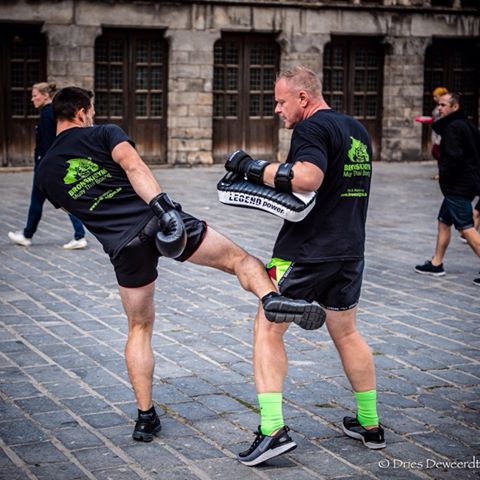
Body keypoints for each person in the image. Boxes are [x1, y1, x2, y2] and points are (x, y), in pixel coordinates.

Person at [34, 86, 325, 442]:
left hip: (124, 249)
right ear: (81, 111)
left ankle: (145, 417)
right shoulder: (104, 133)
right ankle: (269, 298)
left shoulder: (45, 171)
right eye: (90, 111)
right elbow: (134, 165)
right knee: (240, 260)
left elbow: (72, 208)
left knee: (139, 328)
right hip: (160, 222)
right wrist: (164, 209)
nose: (91, 116)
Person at [224, 66, 385, 466]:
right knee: (346, 332)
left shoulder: (310, 129)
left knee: (267, 325)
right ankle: (370, 423)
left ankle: (272, 430)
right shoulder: (356, 129)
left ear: (303, 98)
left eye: (280, 101)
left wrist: (250, 167)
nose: (277, 109)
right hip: (350, 249)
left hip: (306, 251)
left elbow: (308, 178)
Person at [8, 82, 88, 250]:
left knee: (58, 199)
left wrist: (44, 167)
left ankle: (78, 235)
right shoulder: (52, 112)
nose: (32, 99)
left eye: (35, 95)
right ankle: (28, 234)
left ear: (45, 95)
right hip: (52, 164)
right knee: (47, 199)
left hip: (47, 165)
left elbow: (48, 144)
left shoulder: (46, 114)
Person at [415, 92, 480, 287]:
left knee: (466, 228)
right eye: (440, 105)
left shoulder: (453, 128)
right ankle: (436, 263)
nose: (440, 108)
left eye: (444, 105)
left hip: (458, 185)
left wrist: (445, 176)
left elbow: (453, 158)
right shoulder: (468, 125)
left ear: (455, 107)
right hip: (465, 183)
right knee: (444, 221)